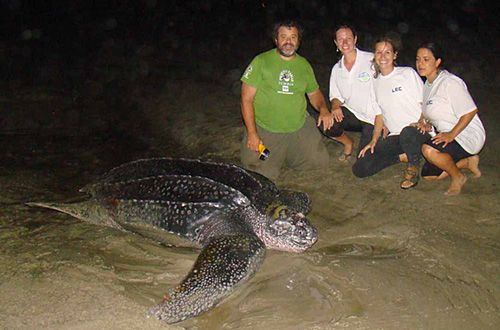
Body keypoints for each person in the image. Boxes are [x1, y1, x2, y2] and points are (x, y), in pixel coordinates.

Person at [239, 20, 332, 180]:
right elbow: (245, 100)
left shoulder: (304, 65)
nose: (288, 42)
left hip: (298, 126)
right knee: (260, 174)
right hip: (267, 128)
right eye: (284, 37)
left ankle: (285, 153)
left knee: (319, 162)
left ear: (298, 41)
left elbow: (314, 94)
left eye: (293, 37)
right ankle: (275, 154)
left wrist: (323, 109)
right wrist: (252, 133)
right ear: (276, 40)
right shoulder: (261, 61)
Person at [353, 36, 431, 189]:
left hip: (418, 131)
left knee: (408, 133)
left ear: (395, 55)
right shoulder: (375, 82)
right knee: (360, 167)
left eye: (387, 52)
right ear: (374, 56)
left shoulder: (407, 74)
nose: (383, 56)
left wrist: (424, 121)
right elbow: (379, 115)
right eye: (379, 52)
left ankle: (413, 168)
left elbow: (426, 102)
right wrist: (374, 140)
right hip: (396, 136)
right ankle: (403, 156)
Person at [416, 42, 485, 195]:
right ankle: (467, 162)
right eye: (418, 59)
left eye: (426, 59)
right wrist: (424, 121)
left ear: (437, 61)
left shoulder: (449, 82)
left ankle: (458, 177)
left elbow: (471, 111)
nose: (420, 63)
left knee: (428, 150)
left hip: (466, 134)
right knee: (429, 176)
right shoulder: (428, 83)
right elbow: (433, 110)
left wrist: (451, 134)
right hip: (449, 134)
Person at [319, 24, 381, 162]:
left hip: (375, 119)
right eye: (340, 39)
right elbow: (335, 96)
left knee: (362, 165)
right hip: (354, 114)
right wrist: (335, 106)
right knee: (326, 123)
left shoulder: (372, 60)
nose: (345, 42)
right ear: (336, 43)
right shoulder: (337, 69)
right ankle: (348, 143)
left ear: (355, 39)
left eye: (348, 38)